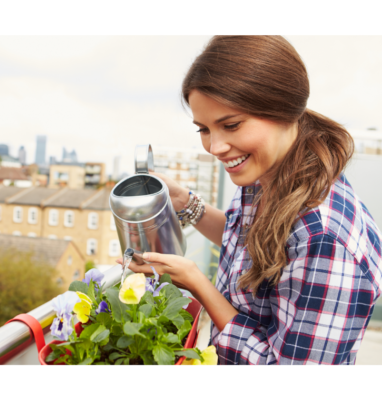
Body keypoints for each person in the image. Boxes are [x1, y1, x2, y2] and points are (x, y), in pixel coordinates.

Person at [119, 34, 382, 366]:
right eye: (203, 129)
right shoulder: (269, 170)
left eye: (231, 125)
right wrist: (185, 201)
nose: (215, 147)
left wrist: (199, 284)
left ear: (284, 110)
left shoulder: (327, 243)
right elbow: (248, 240)